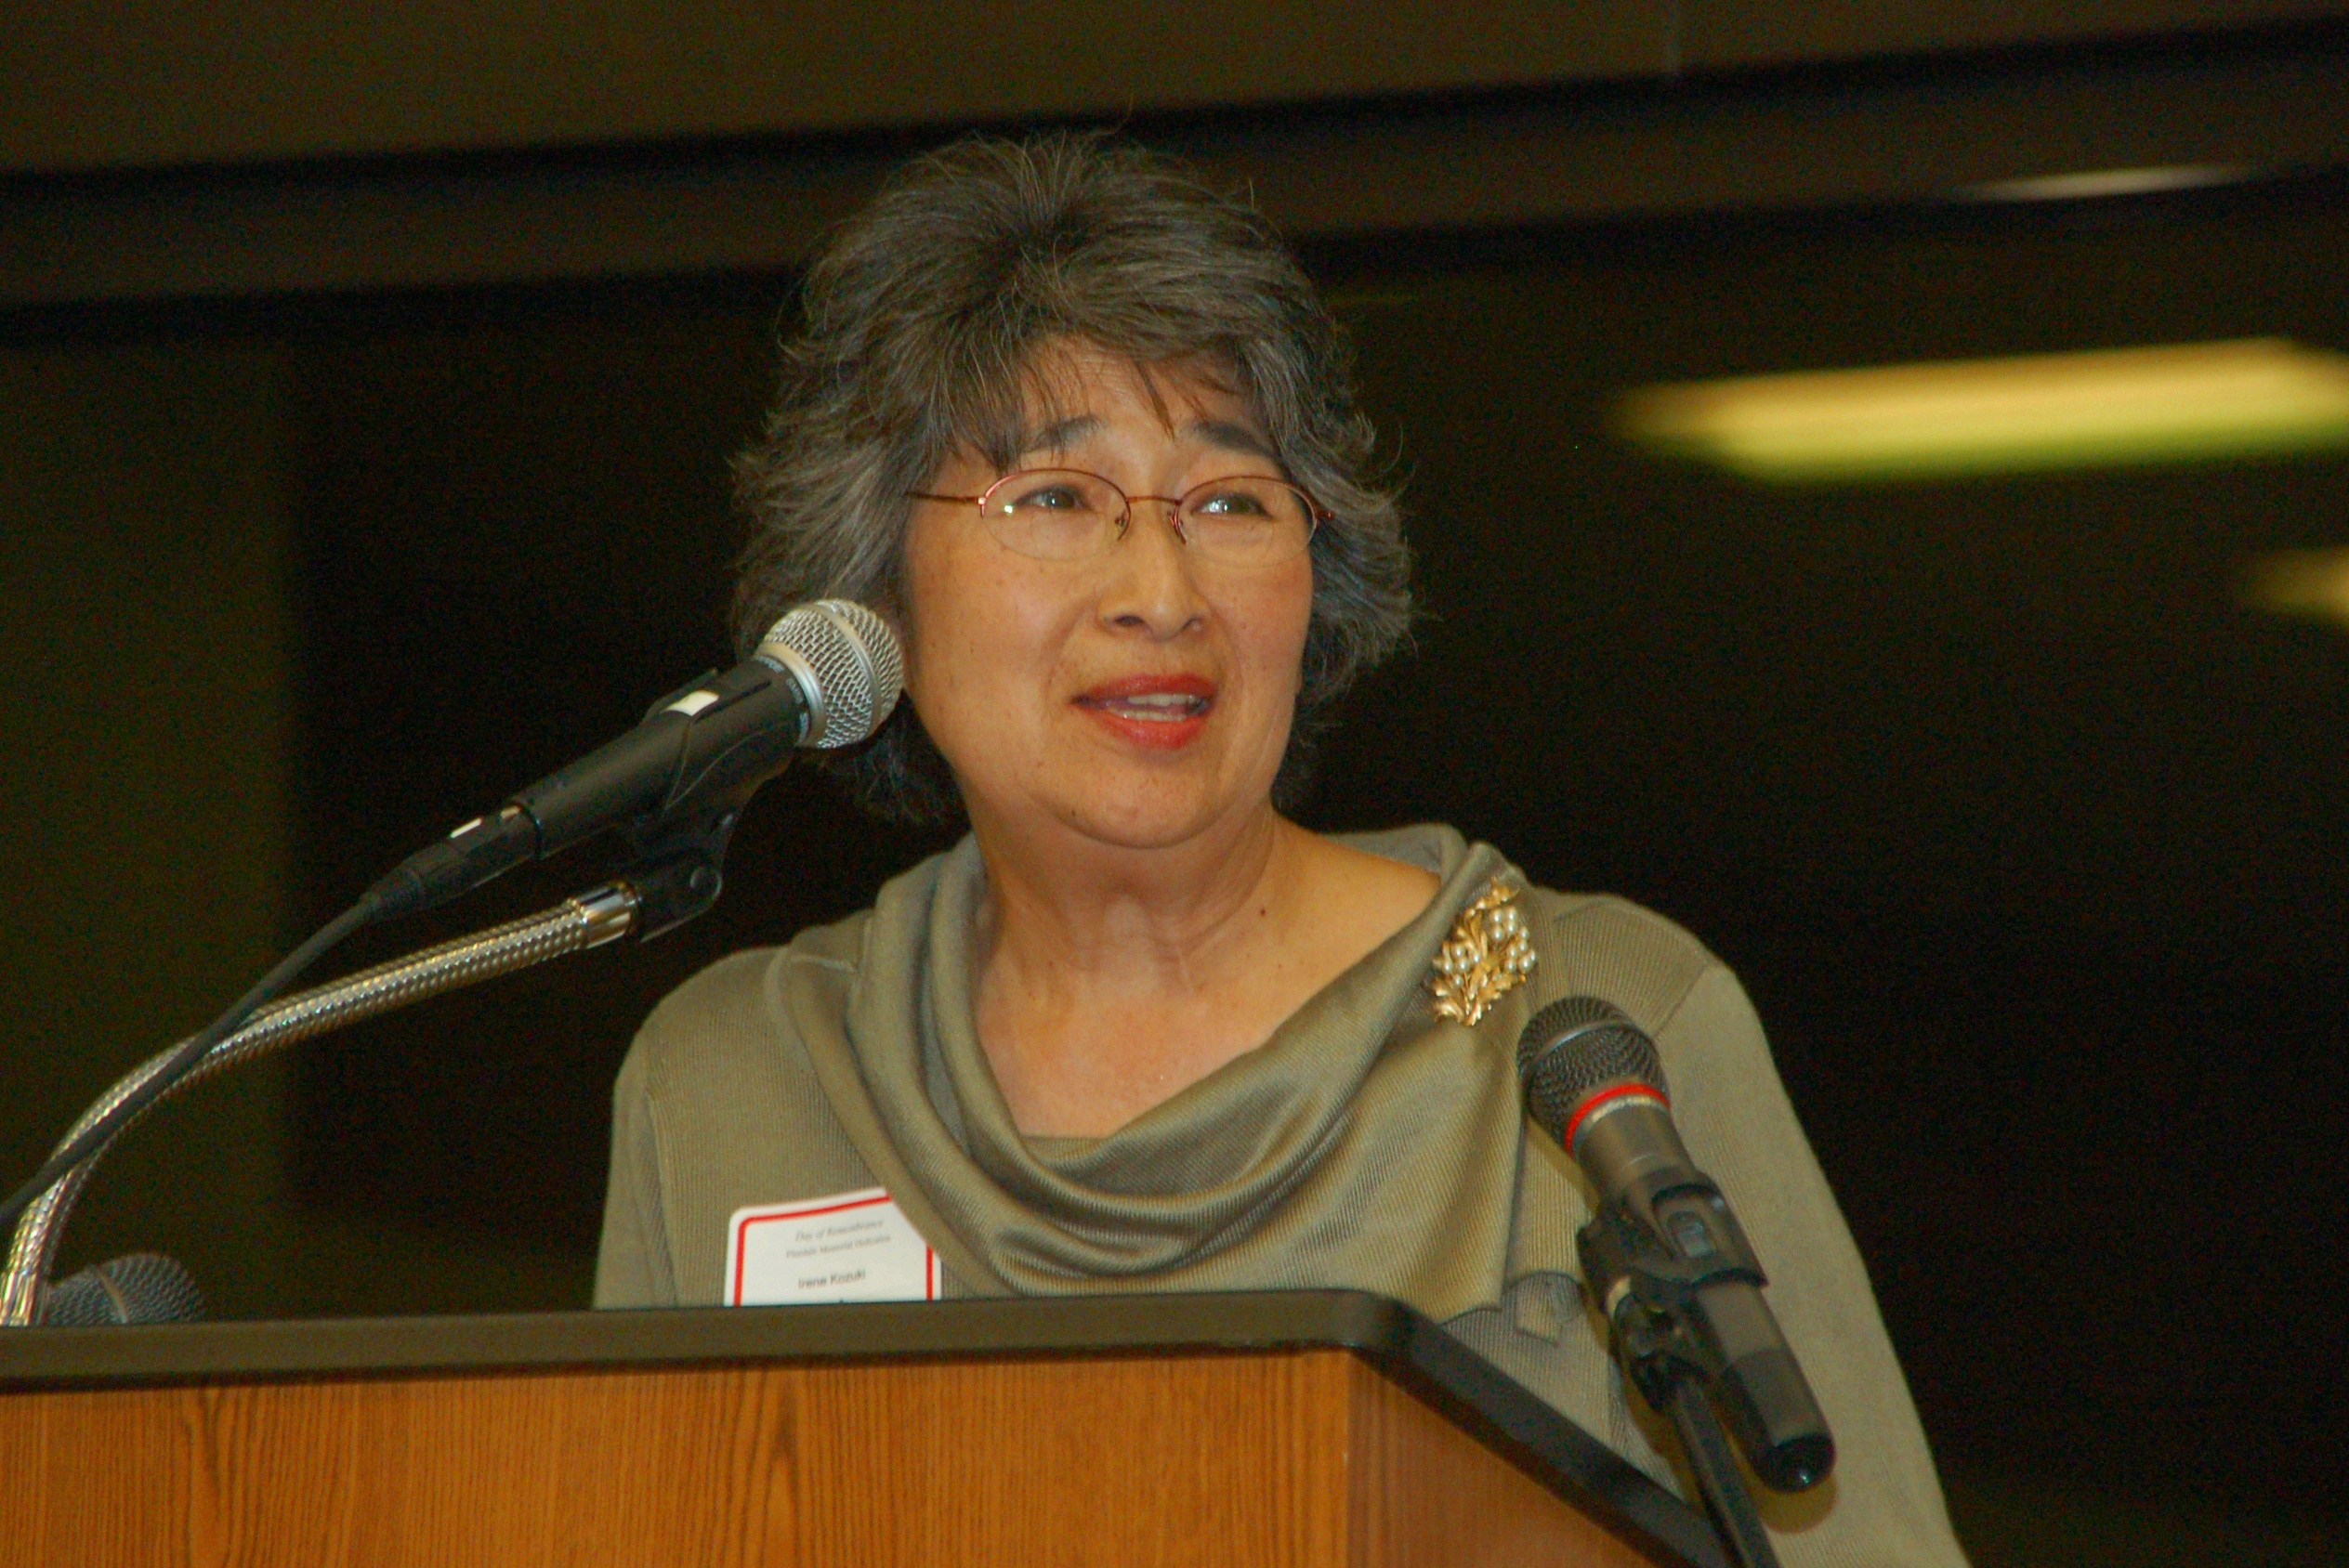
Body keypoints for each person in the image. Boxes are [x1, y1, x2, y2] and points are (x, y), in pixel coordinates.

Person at [595, 132, 1970, 1566]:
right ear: (876, 592)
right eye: (1055, 497)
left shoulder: (1596, 1027)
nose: (1159, 590)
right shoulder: (736, 1086)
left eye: (1231, 502)